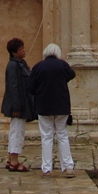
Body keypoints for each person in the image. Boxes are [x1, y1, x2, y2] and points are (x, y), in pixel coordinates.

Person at [28, 43, 76, 178]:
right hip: (61, 105)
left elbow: (30, 87)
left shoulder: (38, 67)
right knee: (62, 135)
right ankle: (68, 166)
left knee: (46, 137)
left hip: (44, 106)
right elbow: (71, 75)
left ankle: (47, 168)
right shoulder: (63, 65)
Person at [1, 37, 35, 172]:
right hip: (18, 104)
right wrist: (16, 106)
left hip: (22, 102)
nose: (24, 51)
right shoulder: (13, 65)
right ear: (14, 52)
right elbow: (13, 86)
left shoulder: (21, 63)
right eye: (21, 49)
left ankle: (11, 158)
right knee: (17, 131)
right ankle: (14, 160)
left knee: (17, 130)